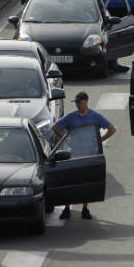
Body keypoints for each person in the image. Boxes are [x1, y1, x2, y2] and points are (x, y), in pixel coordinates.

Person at [52, 92, 117, 220]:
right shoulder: (71, 117)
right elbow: (55, 127)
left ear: (86, 101)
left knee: (86, 181)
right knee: (70, 181)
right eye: (76, 102)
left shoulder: (95, 116)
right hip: (73, 153)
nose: (77, 105)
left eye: (78, 102)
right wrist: (66, 138)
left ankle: (85, 208)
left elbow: (112, 129)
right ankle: (66, 208)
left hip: (89, 153)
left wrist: (100, 140)